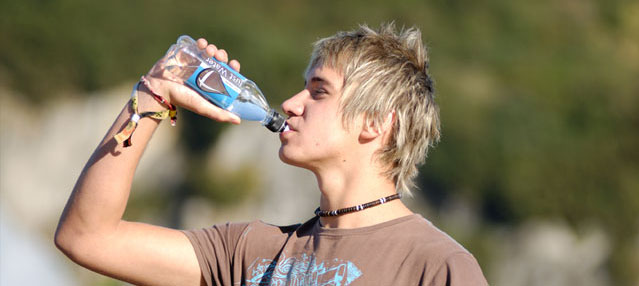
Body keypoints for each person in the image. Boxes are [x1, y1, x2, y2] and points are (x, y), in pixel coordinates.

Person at [55, 23, 488, 286]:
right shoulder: (250, 251)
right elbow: (86, 237)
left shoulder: (436, 266)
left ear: (375, 123)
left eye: (319, 91)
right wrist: (153, 94)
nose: (292, 103)